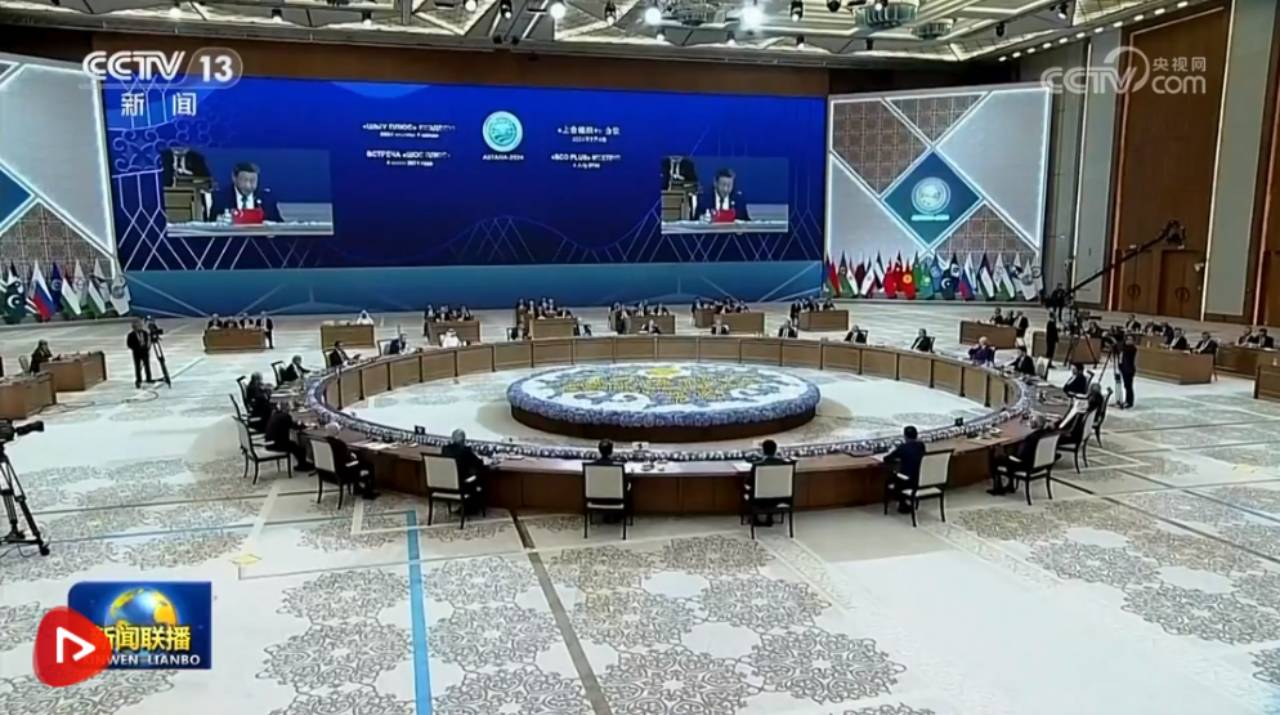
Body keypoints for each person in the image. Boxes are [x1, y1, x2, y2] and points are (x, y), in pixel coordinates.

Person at [990, 415, 1052, 495]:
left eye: (1031, 421)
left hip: (1026, 465)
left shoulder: (1031, 437)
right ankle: (1010, 485)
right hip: (1041, 465)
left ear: (1034, 424)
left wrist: (1011, 455)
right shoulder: (1047, 434)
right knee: (1009, 456)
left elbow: (1022, 455)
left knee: (997, 459)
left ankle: (998, 488)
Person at [210, 161, 282, 222]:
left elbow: (279, 225)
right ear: (234, 178)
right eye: (244, 180)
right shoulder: (219, 198)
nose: (248, 186)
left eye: (252, 181)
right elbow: (210, 223)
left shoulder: (267, 199)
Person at [882, 426, 926, 514]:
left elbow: (887, 458)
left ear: (905, 436)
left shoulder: (903, 447)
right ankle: (904, 501)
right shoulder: (921, 445)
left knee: (891, 478)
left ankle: (902, 503)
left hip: (908, 480)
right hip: (920, 478)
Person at [265, 406, 313, 471]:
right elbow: (294, 426)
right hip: (276, 444)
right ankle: (303, 465)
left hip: (269, 443)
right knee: (297, 448)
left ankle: (302, 464)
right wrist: (304, 426)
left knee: (294, 445)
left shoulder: (275, 416)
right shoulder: (286, 417)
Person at [126, 318, 153, 388]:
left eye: (140, 325)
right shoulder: (131, 335)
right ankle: (139, 379)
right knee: (137, 367)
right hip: (136, 352)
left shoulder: (145, 333)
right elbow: (129, 344)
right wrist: (135, 348)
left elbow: (148, 341)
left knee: (147, 365)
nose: (140, 326)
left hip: (145, 351)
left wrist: (147, 348)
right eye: (137, 325)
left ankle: (149, 378)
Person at [1118, 334, 1137, 409]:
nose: (1128, 341)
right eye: (1127, 339)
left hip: (1129, 370)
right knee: (1126, 386)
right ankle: (1126, 400)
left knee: (1128, 386)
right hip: (1123, 368)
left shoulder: (1132, 349)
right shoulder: (1124, 347)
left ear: (1133, 341)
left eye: (1130, 340)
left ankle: (1129, 402)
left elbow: (1122, 347)